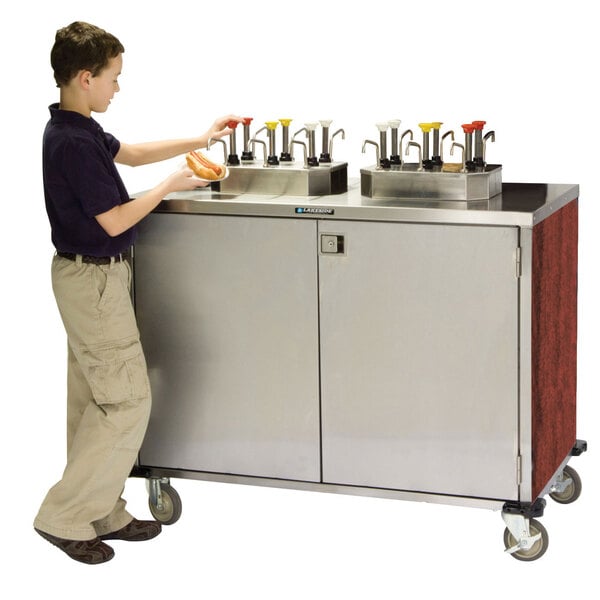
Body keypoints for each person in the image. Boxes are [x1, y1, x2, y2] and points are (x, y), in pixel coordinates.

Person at [34, 20, 243, 565]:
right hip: (94, 280)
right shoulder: (72, 143)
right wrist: (174, 184)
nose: (117, 89)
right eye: (113, 78)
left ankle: (102, 509)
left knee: (93, 400)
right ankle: (62, 516)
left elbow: (131, 152)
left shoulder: (73, 128)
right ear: (85, 77)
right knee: (126, 401)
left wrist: (201, 139)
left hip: (91, 279)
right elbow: (113, 220)